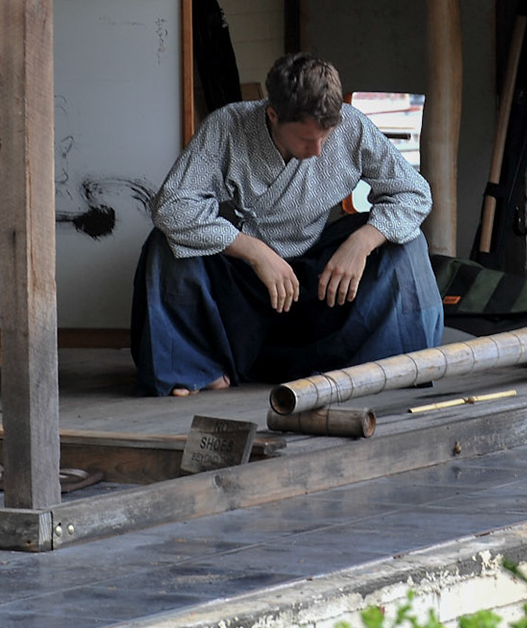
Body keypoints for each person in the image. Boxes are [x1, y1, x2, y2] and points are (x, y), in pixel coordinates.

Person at [130, 53, 443, 396]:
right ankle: (195, 367)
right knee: (167, 242)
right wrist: (254, 252)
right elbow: (172, 207)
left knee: (405, 242)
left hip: (317, 277)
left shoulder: (352, 126)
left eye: (326, 136)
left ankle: (387, 365)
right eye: (307, 140)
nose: (319, 150)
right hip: (243, 278)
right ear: (273, 115)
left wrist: (362, 242)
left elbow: (414, 194)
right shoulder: (228, 126)